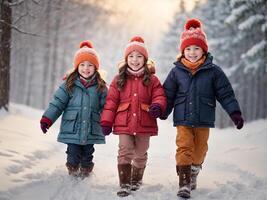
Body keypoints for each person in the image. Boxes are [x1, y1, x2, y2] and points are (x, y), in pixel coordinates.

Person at [161, 18, 244, 199]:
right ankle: (184, 183)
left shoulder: (214, 71)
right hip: (183, 118)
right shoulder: (176, 71)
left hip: (203, 118)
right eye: (188, 49)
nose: (192, 52)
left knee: (199, 151)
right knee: (184, 148)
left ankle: (194, 170)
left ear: (204, 50)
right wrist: (162, 110)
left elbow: (226, 93)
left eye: (196, 48)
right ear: (182, 51)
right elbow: (167, 93)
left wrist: (234, 112)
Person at [100, 36, 166, 197]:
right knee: (125, 150)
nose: (135, 60)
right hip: (124, 123)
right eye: (131, 56)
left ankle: (136, 180)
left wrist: (157, 106)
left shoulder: (152, 80)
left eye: (139, 56)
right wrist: (107, 121)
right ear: (126, 59)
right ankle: (124, 184)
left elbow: (160, 96)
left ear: (145, 59)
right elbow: (111, 102)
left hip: (145, 122)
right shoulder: (118, 79)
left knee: (141, 152)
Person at [40, 40, 107, 178]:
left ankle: (86, 171)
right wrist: (47, 118)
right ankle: (72, 169)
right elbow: (57, 103)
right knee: (73, 152)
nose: (86, 68)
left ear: (96, 68)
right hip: (72, 127)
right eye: (82, 65)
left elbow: (107, 107)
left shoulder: (101, 87)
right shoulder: (68, 85)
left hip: (91, 129)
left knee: (88, 153)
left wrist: (107, 122)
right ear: (77, 67)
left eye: (90, 65)